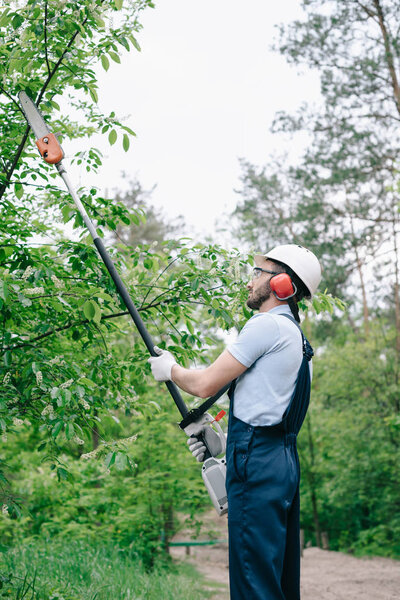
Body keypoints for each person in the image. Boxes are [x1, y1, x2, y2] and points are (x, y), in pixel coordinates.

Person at [148, 244, 322, 600]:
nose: (250, 282)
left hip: (257, 464)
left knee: (252, 581)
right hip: (282, 463)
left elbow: (204, 384)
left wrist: (170, 369)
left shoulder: (267, 326)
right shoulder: (299, 343)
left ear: (283, 284)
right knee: (276, 580)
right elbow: (269, 414)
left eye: (259, 273)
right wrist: (224, 443)